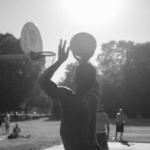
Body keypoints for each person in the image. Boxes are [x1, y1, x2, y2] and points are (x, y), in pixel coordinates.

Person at [38, 39, 102, 150]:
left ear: (75, 79)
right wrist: (84, 64)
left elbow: (42, 81)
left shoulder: (69, 98)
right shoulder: (94, 99)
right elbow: (94, 82)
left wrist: (60, 61)